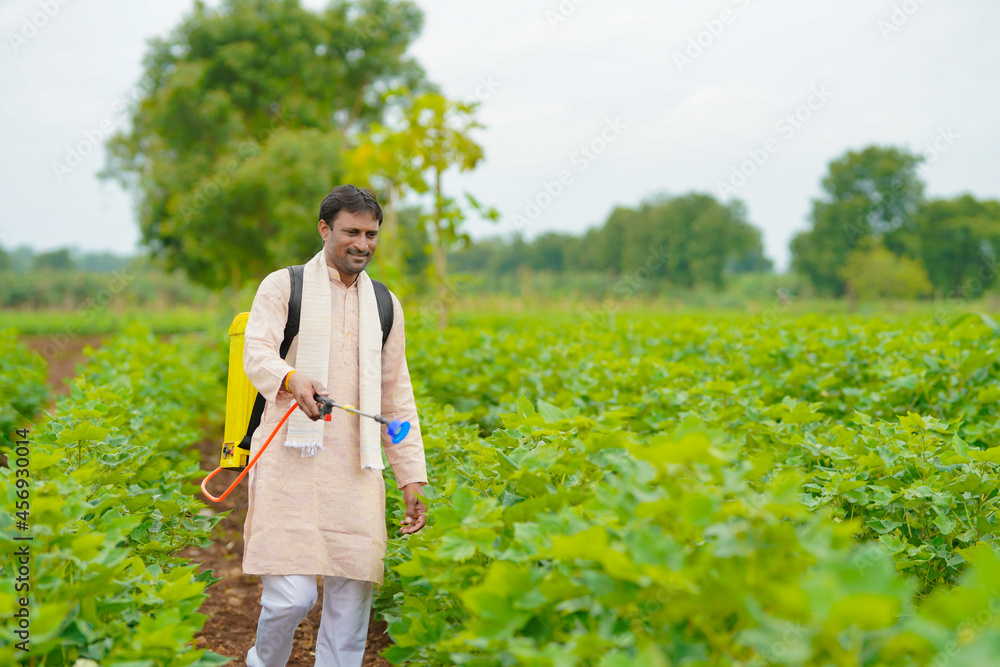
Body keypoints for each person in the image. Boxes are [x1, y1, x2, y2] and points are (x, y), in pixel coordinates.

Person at [241, 184, 428, 666]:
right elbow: (256, 351)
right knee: (291, 598)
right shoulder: (284, 285)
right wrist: (291, 376)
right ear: (325, 229)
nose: (362, 244)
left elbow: (396, 396)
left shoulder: (386, 304)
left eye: (371, 234)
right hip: (289, 461)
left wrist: (410, 476)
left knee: (349, 615)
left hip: (357, 470)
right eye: (351, 232)